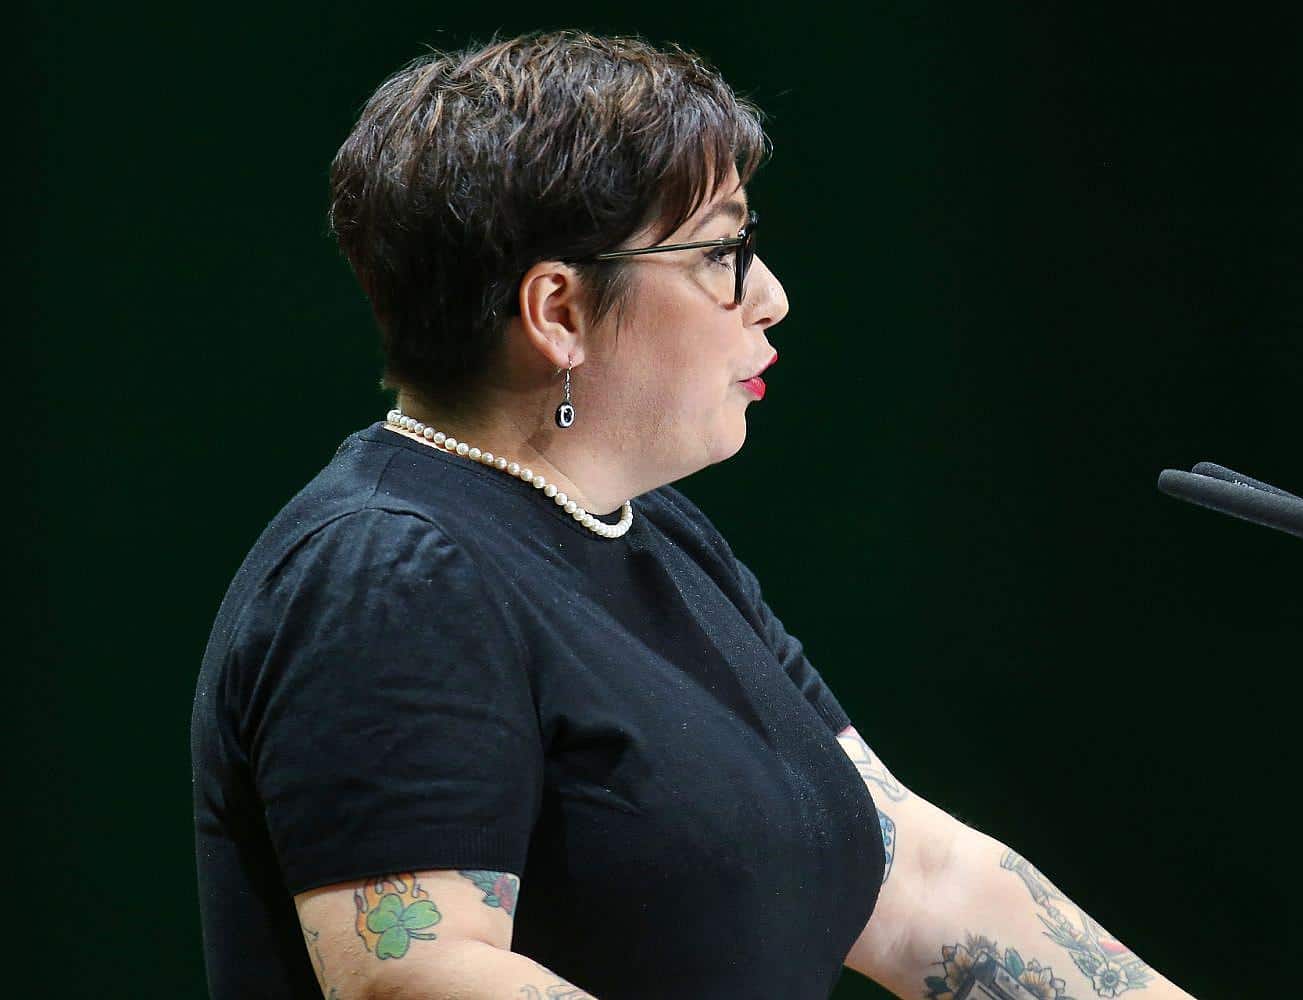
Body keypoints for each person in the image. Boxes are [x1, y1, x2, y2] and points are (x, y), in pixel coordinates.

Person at [190, 29, 1201, 1000]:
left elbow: (916, 879)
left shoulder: (651, 534)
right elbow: (417, 973)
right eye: (722, 253)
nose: (772, 297)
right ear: (559, 312)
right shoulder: (390, 575)